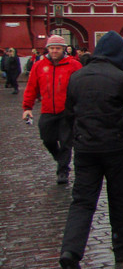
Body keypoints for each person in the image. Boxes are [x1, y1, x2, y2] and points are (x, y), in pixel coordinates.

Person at [58, 31, 123, 269]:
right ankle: (122, 247)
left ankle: (70, 251)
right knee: (119, 199)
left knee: (82, 202)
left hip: (85, 149)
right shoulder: (119, 78)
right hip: (114, 148)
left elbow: (69, 112)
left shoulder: (77, 77)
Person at [22, 35, 82, 184]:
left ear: (63, 49)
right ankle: (60, 159)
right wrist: (27, 107)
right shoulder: (39, 66)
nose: (54, 51)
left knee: (66, 142)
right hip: (48, 110)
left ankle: (63, 171)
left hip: (67, 111)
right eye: (52, 48)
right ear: (48, 49)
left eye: (58, 48)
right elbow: (31, 87)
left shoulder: (73, 65)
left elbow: (81, 86)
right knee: (47, 139)